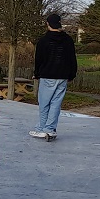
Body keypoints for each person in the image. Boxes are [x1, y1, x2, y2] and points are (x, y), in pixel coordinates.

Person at [31, 13, 77, 141]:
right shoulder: (68, 40)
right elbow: (72, 59)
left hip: (47, 75)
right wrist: (72, 74)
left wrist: (37, 73)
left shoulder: (43, 41)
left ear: (48, 24)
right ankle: (50, 129)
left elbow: (39, 59)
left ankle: (42, 128)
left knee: (44, 103)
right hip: (62, 76)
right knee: (56, 103)